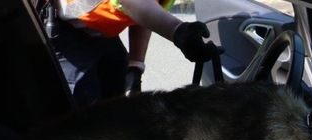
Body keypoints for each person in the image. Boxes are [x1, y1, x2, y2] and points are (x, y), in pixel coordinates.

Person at [47, 0, 211, 107]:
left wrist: (135, 67)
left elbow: (146, 14)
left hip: (101, 32)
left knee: (118, 106)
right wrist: (177, 31)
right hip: (67, 31)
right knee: (83, 114)